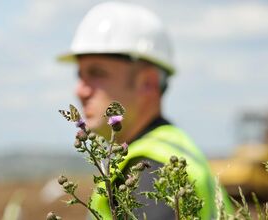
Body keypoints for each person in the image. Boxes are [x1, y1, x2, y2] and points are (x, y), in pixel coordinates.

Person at [58, 1, 232, 219]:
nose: (80, 90)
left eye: (96, 73)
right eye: (79, 75)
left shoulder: (151, 169)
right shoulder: (170, 149)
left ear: (147, 83)